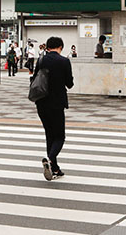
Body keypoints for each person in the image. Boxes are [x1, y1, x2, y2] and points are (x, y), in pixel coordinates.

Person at [33, 35, 74, 180]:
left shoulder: (41, 60)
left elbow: (34, 79)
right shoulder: (64, 61)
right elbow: (69, 83)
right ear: (60, 47)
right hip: (56, 104)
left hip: (41, 103)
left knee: (49, 135)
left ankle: (55, 168)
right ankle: (50, 160)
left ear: (48, 47)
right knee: (60, 136)